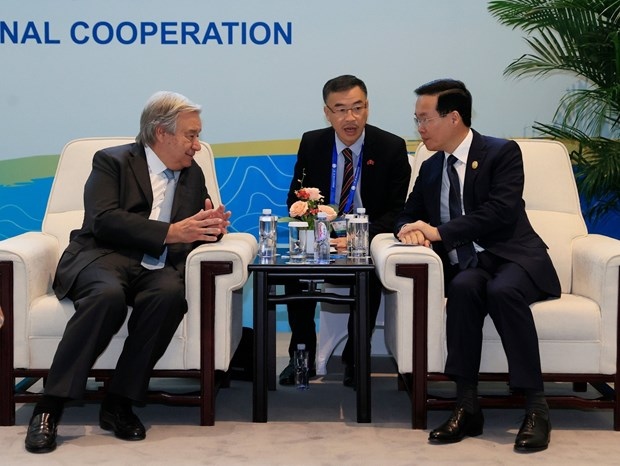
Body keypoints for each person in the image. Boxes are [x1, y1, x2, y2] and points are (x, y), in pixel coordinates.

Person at [24, 91, 231, 454]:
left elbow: (192, 228)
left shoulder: (193, 172)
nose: (197, 145)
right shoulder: (112, 162)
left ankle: (118, 402)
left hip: (156, 264)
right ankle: (49, 404)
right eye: (191, 135)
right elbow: (103, 220)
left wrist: (211, 229)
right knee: (107, 297)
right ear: (161, 134)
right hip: (103, 256)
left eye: (198, 136)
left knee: (168, 297)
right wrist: (171, 232)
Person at [395, 79, 560, 452]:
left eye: (425, 119)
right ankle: (467, 406)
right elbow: (407, 213)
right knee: (464, 288)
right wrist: (408, 230)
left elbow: (499, 213)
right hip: (471, 266)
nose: (419, 128)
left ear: (453, 117)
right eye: (416, 120)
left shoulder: (502, 153)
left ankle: (536, 407)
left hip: (514, 255)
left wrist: (437, 231)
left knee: (502, 292)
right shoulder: (431, 167)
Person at [279, 74, 411, 387]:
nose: (350, 118)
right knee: (293, 274)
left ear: (368, 108)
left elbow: (397, 210)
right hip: (322, 242)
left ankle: (355, 357)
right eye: (340, 109)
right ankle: (302, 356)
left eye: (357, 108)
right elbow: (295, 198)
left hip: (365, 241)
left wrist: (355, 238)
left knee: (369, 274)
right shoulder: (313, 143)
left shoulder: (390, 146)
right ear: (327, 113)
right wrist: (319, 230)